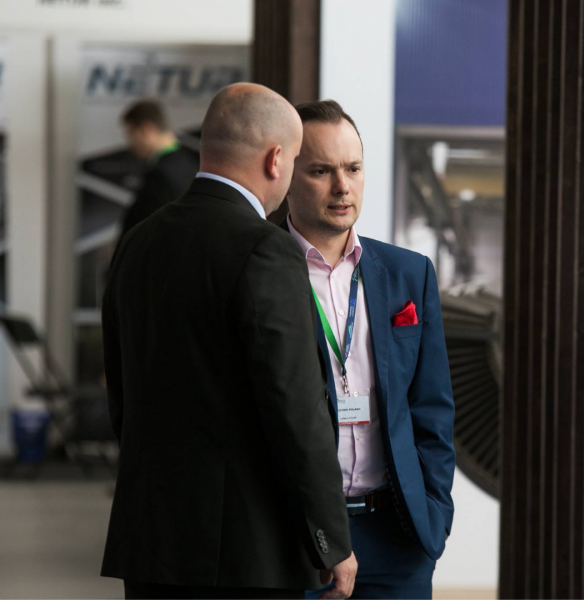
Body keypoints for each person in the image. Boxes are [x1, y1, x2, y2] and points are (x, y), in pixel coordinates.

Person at [101, 84, 357, 600]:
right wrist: (330, 539)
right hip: (243, 556)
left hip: (150, 542)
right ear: (276, 159)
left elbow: (122, 392)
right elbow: (295, 408)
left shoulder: (138, 242)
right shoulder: (265, 250)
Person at [282, 99, 456, 600]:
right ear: (286, 174)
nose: (343, 186)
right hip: (296, 538)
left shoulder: (408, 272)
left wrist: (434, 512)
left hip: (397, 534)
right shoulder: (260, 270)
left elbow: (432, 406)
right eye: (321, 171)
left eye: (353, 169)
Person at [119, 99, 198, 237]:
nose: (130, 144)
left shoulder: (159, 177)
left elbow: (142, 232)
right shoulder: (188, 163)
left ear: (146, 130)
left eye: (131, 133)